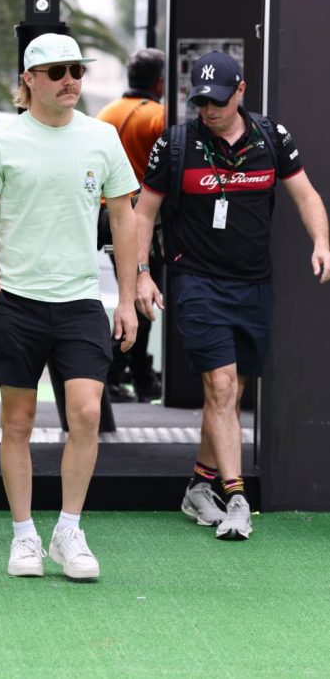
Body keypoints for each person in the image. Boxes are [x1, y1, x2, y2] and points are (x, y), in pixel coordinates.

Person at [0, 33, 139, 579]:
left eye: (78, 72)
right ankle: (23, 537)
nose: (71, 81)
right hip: (17, 300)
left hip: (80, 300)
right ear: (30, 80)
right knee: (17, 422)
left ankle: (68, 530)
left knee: (85, 413)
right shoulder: (0, 140)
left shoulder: (103, 137)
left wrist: (128, 298)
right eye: (58, 71)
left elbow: (124, 218)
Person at [135, 50, 330, 541]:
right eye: (200, 101)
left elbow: (305, 195)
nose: (208, 110)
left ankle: (199, 486)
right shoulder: (176, 144)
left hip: (254, 284)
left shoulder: (271, 137)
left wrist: (322, 241)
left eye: (218, 101)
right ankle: (237, 496)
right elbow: (143, 213)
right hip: (198, 282)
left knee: (231, 391)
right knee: (221, 388)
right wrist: (141, 273)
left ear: (240, 91)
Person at [96, 48, 165, 403]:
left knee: (131, 293)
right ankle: (125, 374)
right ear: (159, 82)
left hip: (104, 215)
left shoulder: (107, 113)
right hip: (137, 217)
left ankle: (133, 374)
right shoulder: (157, 117)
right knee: (143, 294)